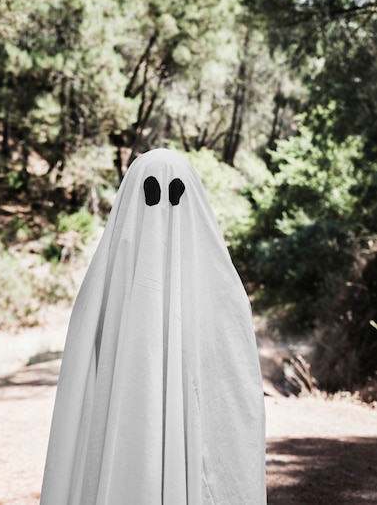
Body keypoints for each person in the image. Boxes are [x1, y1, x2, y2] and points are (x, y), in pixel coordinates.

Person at [40, 148, 266, 505]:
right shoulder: (104, 288)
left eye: (174, 193)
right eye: (150, 193)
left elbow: (234, 392)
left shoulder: (223, 294)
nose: (161, 210)